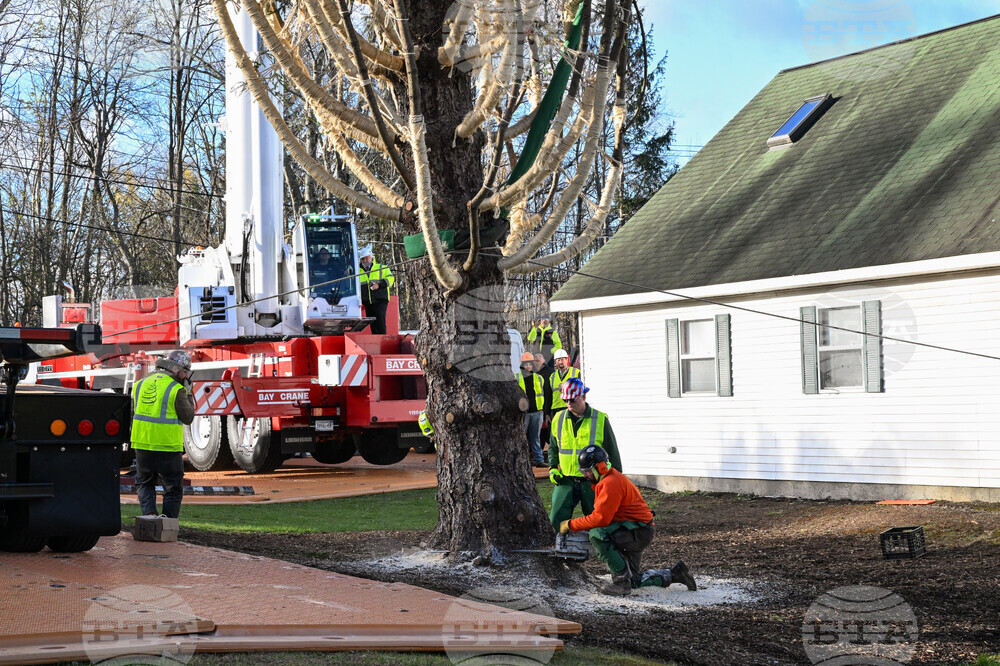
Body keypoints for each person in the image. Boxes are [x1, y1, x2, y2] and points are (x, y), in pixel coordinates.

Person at [560, 445, 698, 596]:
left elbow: (600, 518)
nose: (586, 475)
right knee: (634, 580)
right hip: (637, 529)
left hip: (637, 531)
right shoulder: (610, 479)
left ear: (600, 467)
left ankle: (620, 582)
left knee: (597, 534)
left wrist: (571, 524)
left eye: (587, 471)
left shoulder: (610, 483)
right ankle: (675, 574)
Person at [548, 378, 622, 527]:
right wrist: (552, 468)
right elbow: (553, 447)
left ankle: (602, 547)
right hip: (565, 480)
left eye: (573, 399)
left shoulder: (600, 419)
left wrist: (616, 480)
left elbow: (612, 452)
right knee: (555, 521)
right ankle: (557, 548)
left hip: (593, 482)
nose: (569, 403)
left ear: (583, 397)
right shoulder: (558, 419)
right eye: (566, 400)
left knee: (599, 521)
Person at [131, 350, 196, 519]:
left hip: (142, 444)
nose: (186, 376)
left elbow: (134, 413)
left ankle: (150, 519)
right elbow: (188, 417)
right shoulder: (176, 389)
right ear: (177, 369)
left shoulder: (140, 383)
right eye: (185, 372)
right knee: (173, 489)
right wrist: (188, 392)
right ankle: (168, 525)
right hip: (167, 447)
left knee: (144, 484)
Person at [516, 352, 548, 467]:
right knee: (521, 438)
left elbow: (543, 394)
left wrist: (542, 410)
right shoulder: (517, 377)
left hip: (537, 412)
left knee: (536, 438)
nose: (528, 366)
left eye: (530, 364)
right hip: (524, 413)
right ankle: (522, 461)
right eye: (526, 364)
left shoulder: (538, 378)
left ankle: (539, 460)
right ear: (522, 365)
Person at [359, 244, 394, 334]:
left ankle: (383, 341)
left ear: (372, 257)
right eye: (363, 259)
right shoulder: (357, 271)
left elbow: (391, 279)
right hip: (367, 301)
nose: (365, 260)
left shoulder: (381, 267)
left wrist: (379, 285)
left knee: (380, 322)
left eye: (367, 258)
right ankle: (377, 343)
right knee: (373, 324)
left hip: (380, 300)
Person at [548, 348, 581, 415]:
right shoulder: (552, 376)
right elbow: (548, 395)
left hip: (572, 407)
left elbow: (580, 390)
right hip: (556, 409)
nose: (560, 362)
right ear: (556, 362)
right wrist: (547, 413)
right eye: (558, 360)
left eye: (562, 359)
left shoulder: (576, 372)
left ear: (567, 359)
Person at [533, 353, 554, 459]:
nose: (537, 359)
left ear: (544, 360)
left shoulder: (550, 372)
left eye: (540, 357)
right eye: (535, 357)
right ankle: (538, 457)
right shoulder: (531, 373)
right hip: (537, 409)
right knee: (538, 435)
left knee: (551, 435)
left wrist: (548, 411)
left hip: (549, 408)